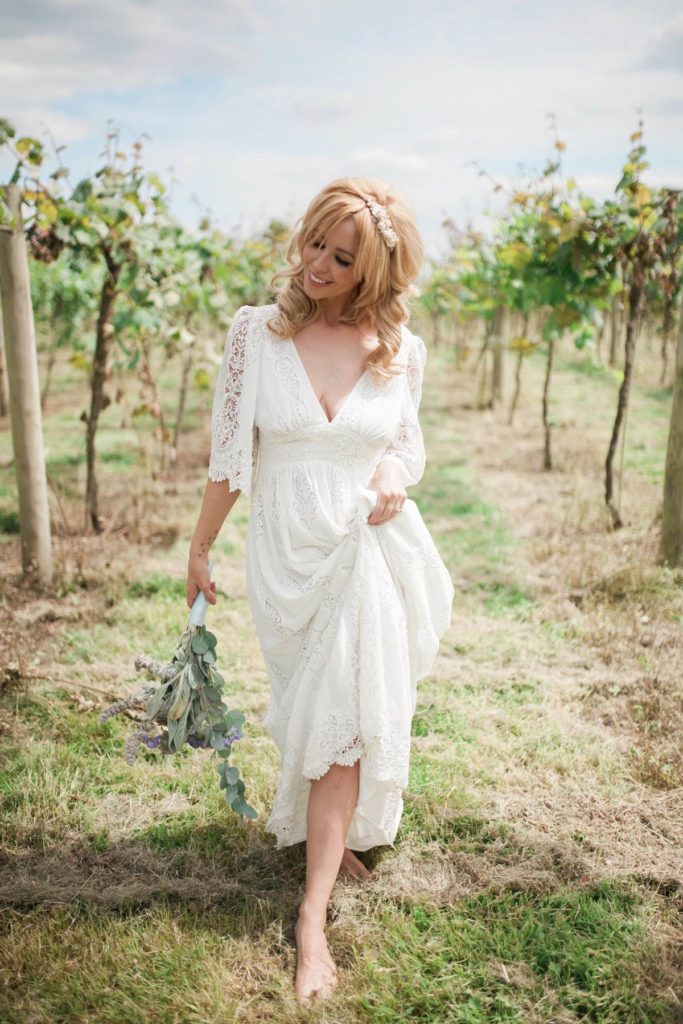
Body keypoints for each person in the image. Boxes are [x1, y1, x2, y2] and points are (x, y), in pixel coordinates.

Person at [186, 176, 454, 1005]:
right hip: (283, 552)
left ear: (375, 270)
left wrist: (386, 476)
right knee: (306, 709)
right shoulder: (254, 337)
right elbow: (232, 457)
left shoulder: (397, 350)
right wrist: (199, 548)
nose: (319, 266)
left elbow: (403, 449)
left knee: (345, 725)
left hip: (362, 546)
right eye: (315, 245)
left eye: (343, 258)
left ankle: (311, 917)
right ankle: (328, 842)